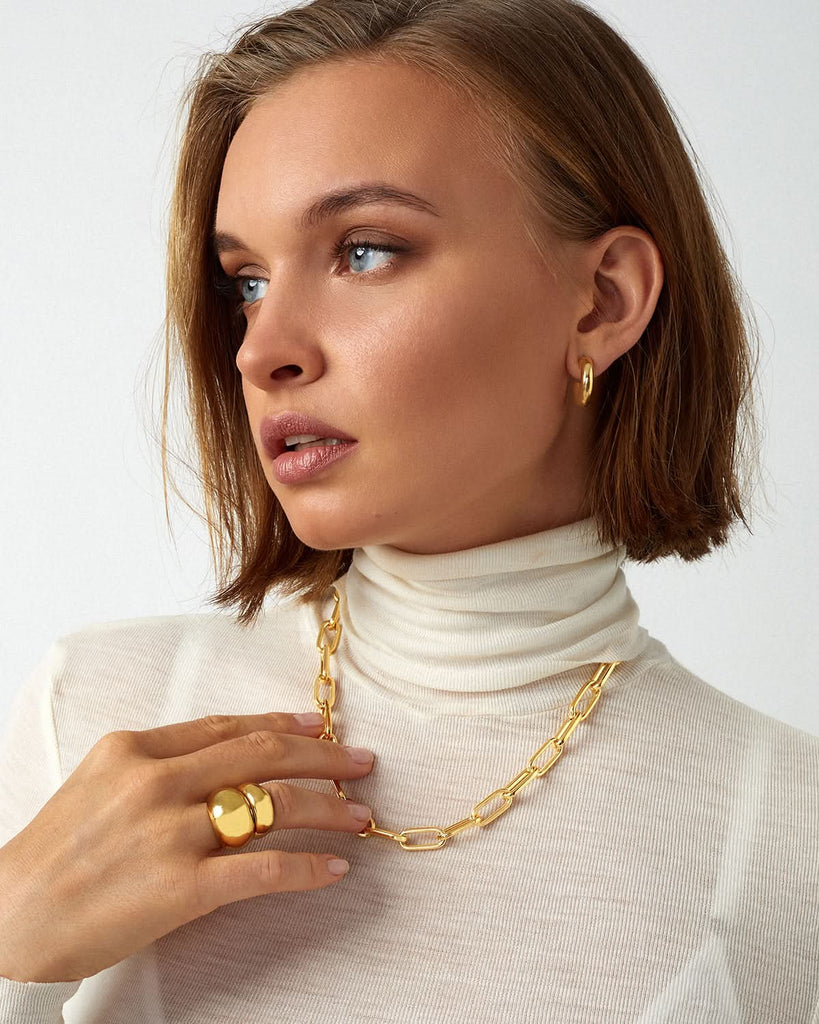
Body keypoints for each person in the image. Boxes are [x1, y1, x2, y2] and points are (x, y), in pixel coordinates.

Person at [0, 0, 816, 1020]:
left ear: (604, 300)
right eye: (245, 281)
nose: (262, 349)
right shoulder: (97, 716)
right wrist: (11, 939)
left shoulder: (792, 834)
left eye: (365, 251)